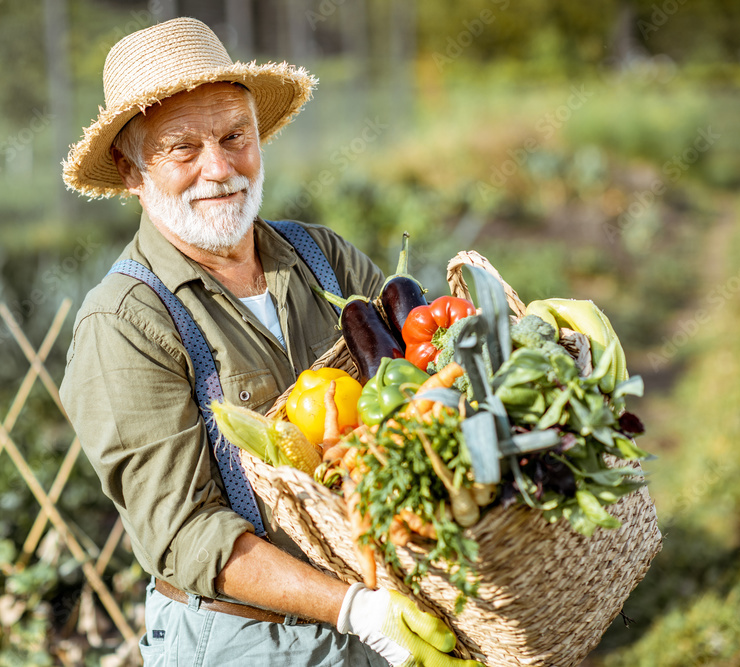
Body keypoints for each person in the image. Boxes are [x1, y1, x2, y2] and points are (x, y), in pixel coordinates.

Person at [59, 17, 483, 667]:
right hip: (246, 641)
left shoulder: (324, 259)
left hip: (392, 617)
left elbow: (427, 389)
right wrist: (355, 610)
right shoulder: (125, 323)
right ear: (132, 169)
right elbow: (185, 535)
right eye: (183, 148)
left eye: (235, 136)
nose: (219, 168)